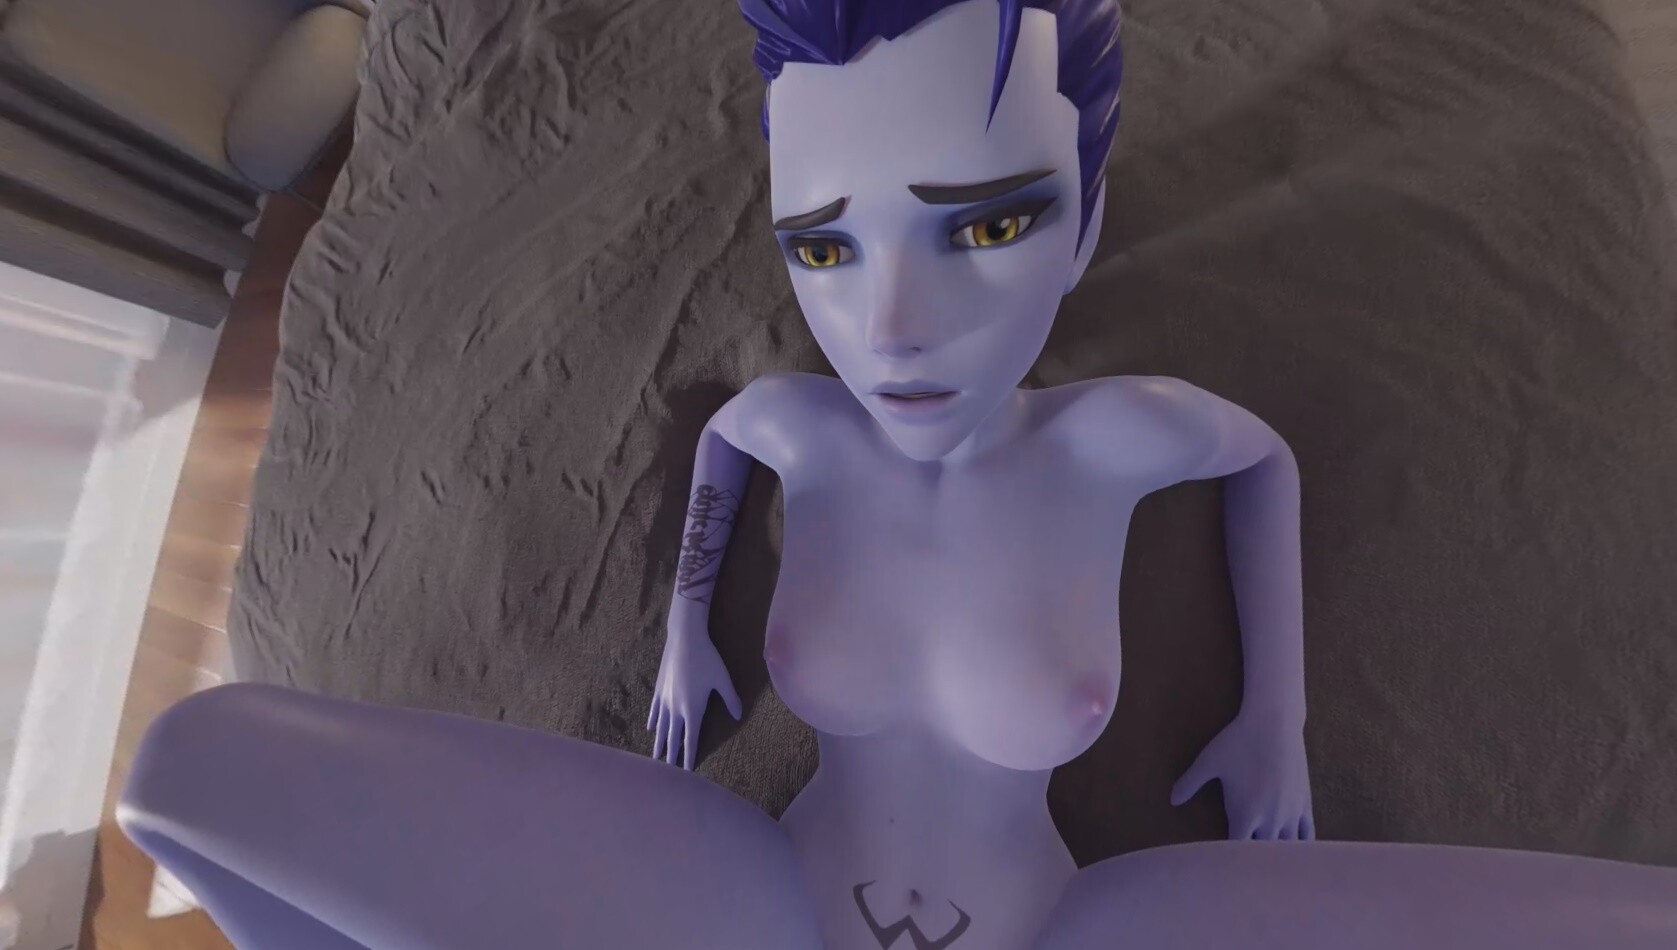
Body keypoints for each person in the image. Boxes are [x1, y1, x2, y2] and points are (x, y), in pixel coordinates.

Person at [118, 2, 1677, 948]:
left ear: (1082, 219)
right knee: (185, 771)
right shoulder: (802, 422)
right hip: (752, 897)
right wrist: (681, 633)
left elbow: (1260, 460)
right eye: (824, 245)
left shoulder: (1119, 437)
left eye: (985, 225)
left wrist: (1275, 716)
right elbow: (727, 442)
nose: (892, 326)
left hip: (1066, 919)